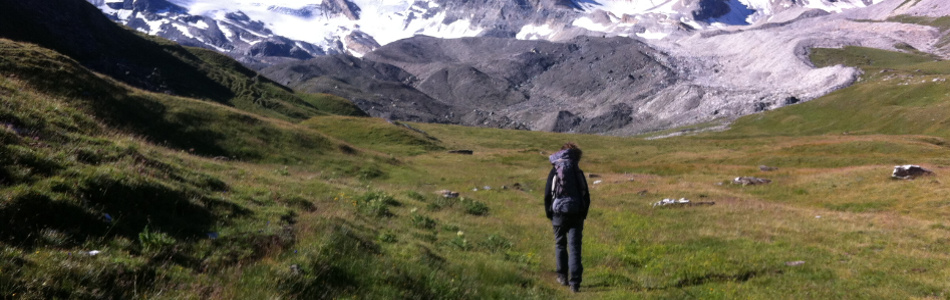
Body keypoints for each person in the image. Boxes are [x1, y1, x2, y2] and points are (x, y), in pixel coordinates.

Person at [544, 142, 591, 293]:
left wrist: (549, 212)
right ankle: (575, 283)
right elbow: (585, 194)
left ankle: (562, 276)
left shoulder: (555, 170)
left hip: (558, 212)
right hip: (576, 212)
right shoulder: (577, 171)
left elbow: (547, 194)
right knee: (575, 247)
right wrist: (583, 213)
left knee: (560, 244)